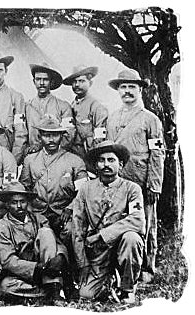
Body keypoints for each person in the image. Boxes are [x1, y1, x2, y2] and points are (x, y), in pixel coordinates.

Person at [106, 69, 165, 282]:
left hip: (142, 181)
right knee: (118, 222)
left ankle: (147, 267)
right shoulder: (112, 119)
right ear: (118, 91)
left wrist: (154, 184)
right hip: (119, 182)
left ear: (140, 89)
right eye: (123, 87)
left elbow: (158, 153)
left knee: (145, 222)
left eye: (132, 87)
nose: (127, 91)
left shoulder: (151, 120)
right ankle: (121, 268)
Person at [71, 140, 145, 303]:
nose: (106, 164)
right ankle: (109, 279)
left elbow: (137, 220)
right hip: (99, 252)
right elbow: (77, 227)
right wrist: (82, 262)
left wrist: (102, 235)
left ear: (121, 164)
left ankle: (127, 288)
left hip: (121, 245)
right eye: (101, 160)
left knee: (132, 238)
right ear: (96, 165)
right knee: (86, 294)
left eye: (111, 160)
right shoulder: (86, 189)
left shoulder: (132, 189)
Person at [0, 182, 68, 301]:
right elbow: (8, 261)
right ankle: (47, 293)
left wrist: (60, 256)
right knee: (5, 287)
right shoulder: (1, 227)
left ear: (27, 203)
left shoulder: (39, 219)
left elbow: (56, 242)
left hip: (48, 269)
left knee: (46, 232)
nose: (19, 206)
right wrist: (37, 268)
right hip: (23, 273)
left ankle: (52, 285)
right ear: (7, 205)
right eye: (14, 202)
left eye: (22, 201)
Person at [19, 116, 88, 245]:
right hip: (37, 212)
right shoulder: (30, 160)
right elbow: (24, 188)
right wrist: (29, 212)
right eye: (46, 135)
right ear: (39, 137)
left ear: (62, 136)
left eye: (55, 135)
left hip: (63, 212)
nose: (51, 140)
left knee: (71, 230)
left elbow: (84, 192)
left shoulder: (74, 161)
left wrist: (70, 208)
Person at [62, 65, 108, 172]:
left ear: (90, 83)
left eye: (81, 81)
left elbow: (100, 138)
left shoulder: (97, 106)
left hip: (89, 157)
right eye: (74, 82)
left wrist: (93, 161)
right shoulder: (71, 105)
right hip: (73, 155)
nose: (77, 85)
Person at [24, 63, 74, 155]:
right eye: (38, 79)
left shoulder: (63, 106)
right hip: (33, 155)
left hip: (57, 154)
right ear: (34, 82)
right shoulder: (26, 106)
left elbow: (69, 134)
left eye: (45, 79)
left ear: (51, 82)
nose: (41, 83)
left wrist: (51, 149)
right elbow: (22, 134)